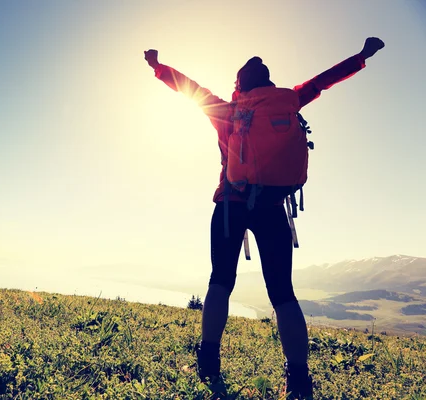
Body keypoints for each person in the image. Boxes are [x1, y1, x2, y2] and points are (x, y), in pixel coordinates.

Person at [143, 37, 385, 399]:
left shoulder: (227, 110)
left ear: (239, 85)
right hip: (272, 208)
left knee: (220, 281)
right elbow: (322, 81)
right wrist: (361, 57)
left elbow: (189, 88)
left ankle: (209, 361)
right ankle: (299, 378)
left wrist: (158, 67)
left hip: (230, 204)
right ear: (269, 84)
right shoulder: (288, 101)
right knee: (283, 293)